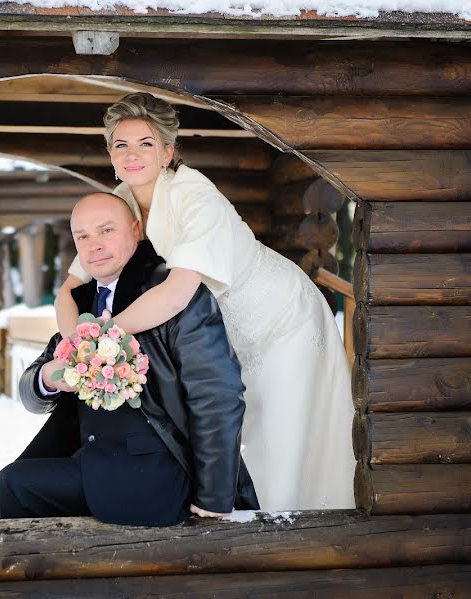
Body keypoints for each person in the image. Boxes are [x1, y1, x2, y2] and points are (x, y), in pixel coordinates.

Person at [55, 92, 355, 510]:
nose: (133, 154)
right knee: (237, 428)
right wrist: (80, 350)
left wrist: (105, 338)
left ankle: (287, 537)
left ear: (168, 151)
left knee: (283, 439)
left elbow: (179, 293)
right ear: (110, 154)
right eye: (121, 145)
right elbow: (68, 290)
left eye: (146, 143)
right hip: (230, 332)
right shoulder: (119, 203)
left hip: (285, 319)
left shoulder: (196, 196)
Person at [0, 192, 258, 526]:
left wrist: (214, 498)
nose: (94, 245)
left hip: (156, 473)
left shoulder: (174, 293)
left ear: (136, 231)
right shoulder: (79, 303)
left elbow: (217, 394)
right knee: (14, 483)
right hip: (93, 460)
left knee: (16, 487)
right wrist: (47, 377)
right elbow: (30, 394)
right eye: (83, 236)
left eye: (106, 231)